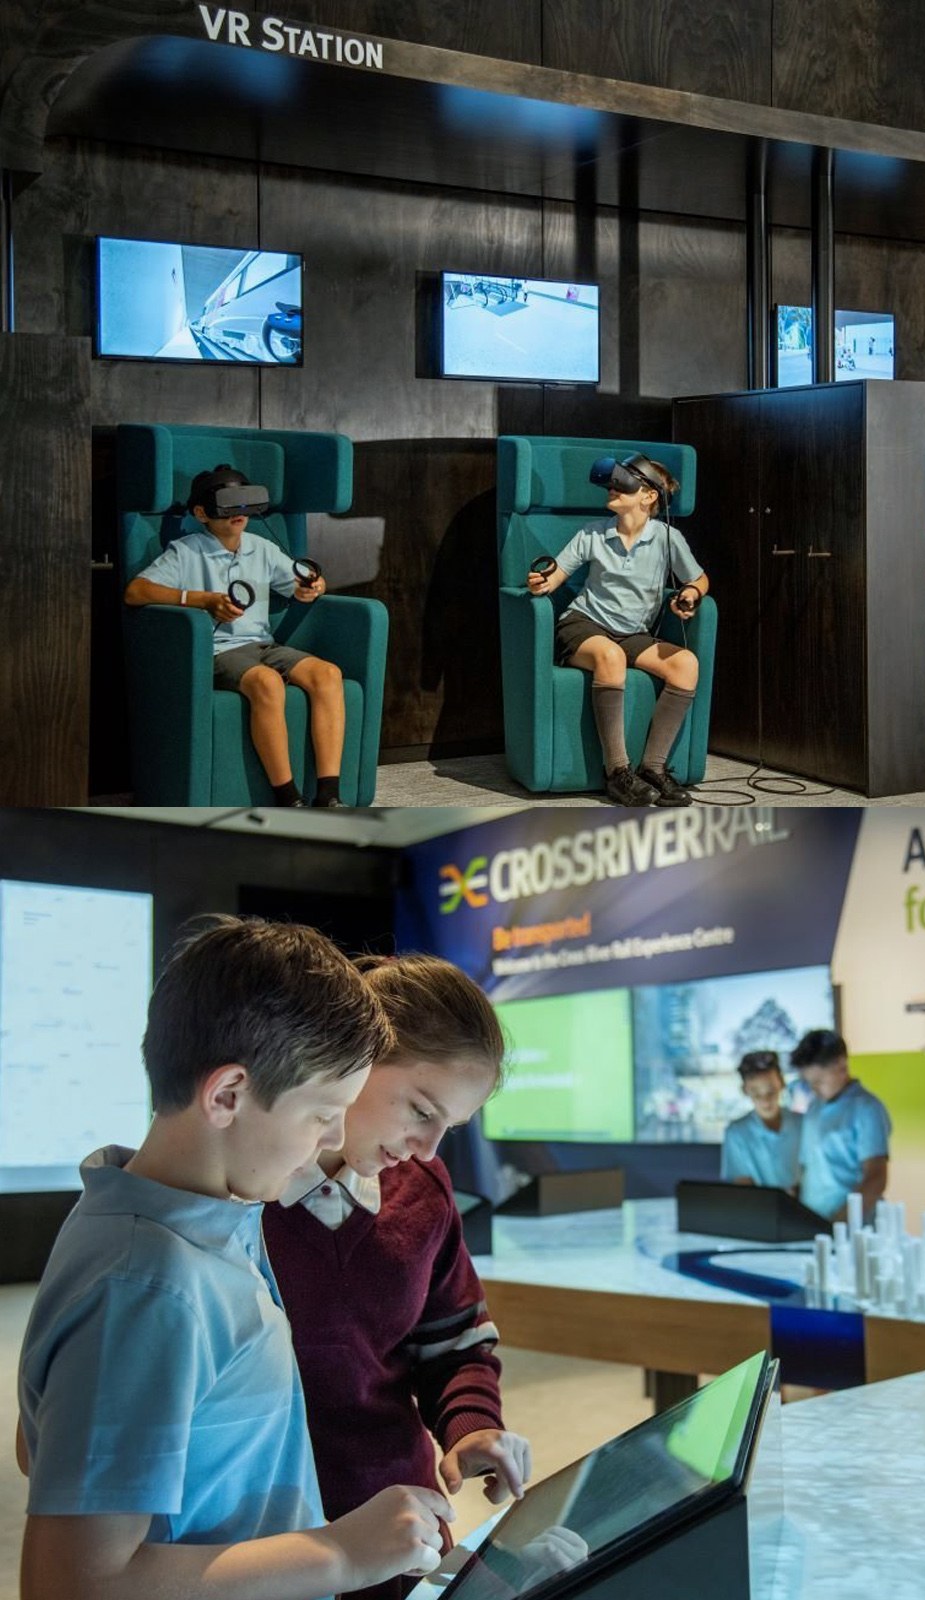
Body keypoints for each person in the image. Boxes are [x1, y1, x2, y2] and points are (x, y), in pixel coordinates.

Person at [16, 916, 452, 1600]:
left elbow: (42, 1444)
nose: (333, 1137)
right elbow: (72, 1584)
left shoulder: (206, 1218)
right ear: (227, 1095)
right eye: (321, 1113)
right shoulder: (149, 1283)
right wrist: (337, 1554)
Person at [262, 953, 553, 1600]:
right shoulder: (239, 1187)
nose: (427, 1148)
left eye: (449, 1127)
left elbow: (454, 1339)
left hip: (399, 1522)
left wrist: (472, 1425)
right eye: (421, 1109)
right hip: (262, 1534)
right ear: (350, 1057)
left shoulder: (422, 1189)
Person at [125, 464, 346, 807]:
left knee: (328, 674)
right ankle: (288, 798)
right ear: (202, 513)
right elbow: (135, 592)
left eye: (244, 502)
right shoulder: (186, 551)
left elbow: (300, 584)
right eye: (228, 504)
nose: (238, 513)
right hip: (218, 651)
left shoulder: (262, 547)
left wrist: (311, 588)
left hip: (263, 644)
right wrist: (200, 600)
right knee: (267, 682)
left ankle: (330, 796)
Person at [524, 452, 711, 807]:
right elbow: (555, 576)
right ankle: (618, 773)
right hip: (584, 626)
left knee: (685, 664)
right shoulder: (593, 533)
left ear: (649, 495)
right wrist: (540, 583)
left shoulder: (667, 538)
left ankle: (653, 769)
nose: (611, 489)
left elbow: (699, 578)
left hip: (633, 634)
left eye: (622, 484)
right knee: (609, 656)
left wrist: (690, 593)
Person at [789, 1030, 891, 1223]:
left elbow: (876, 1178)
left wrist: (839, 1224)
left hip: (852, 1228)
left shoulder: (866, 1109)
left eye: (819, 1081)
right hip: (813, 1224)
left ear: (841, 1065)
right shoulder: (813, 1108)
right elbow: (808, 1168)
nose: (814, 1089)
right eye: (809, 1083)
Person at [721, 1050, 804, 1194]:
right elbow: (742, 1187)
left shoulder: (802, 1124)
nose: (765, 1100)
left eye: (771, 1090)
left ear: (782, 1083)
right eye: (756, 1092)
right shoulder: (737, 1133)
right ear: (745, 1090)